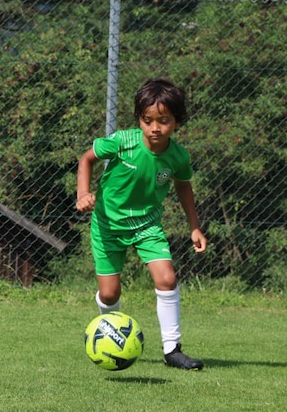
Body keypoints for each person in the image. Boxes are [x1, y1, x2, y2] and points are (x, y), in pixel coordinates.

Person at [75, 77, 207, 370]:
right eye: (148, 121)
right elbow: (86, 160)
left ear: (177, 122)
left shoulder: (178, 156)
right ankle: (110, 331)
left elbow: (184, 186)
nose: (155, 128)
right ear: (139, 120)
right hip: (108, 225)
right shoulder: (123, 141)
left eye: (164, 120)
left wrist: (194, 227)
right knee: (110, 294)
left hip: (147, 226)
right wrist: (83, 193)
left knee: (167, 279)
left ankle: (172, 350)